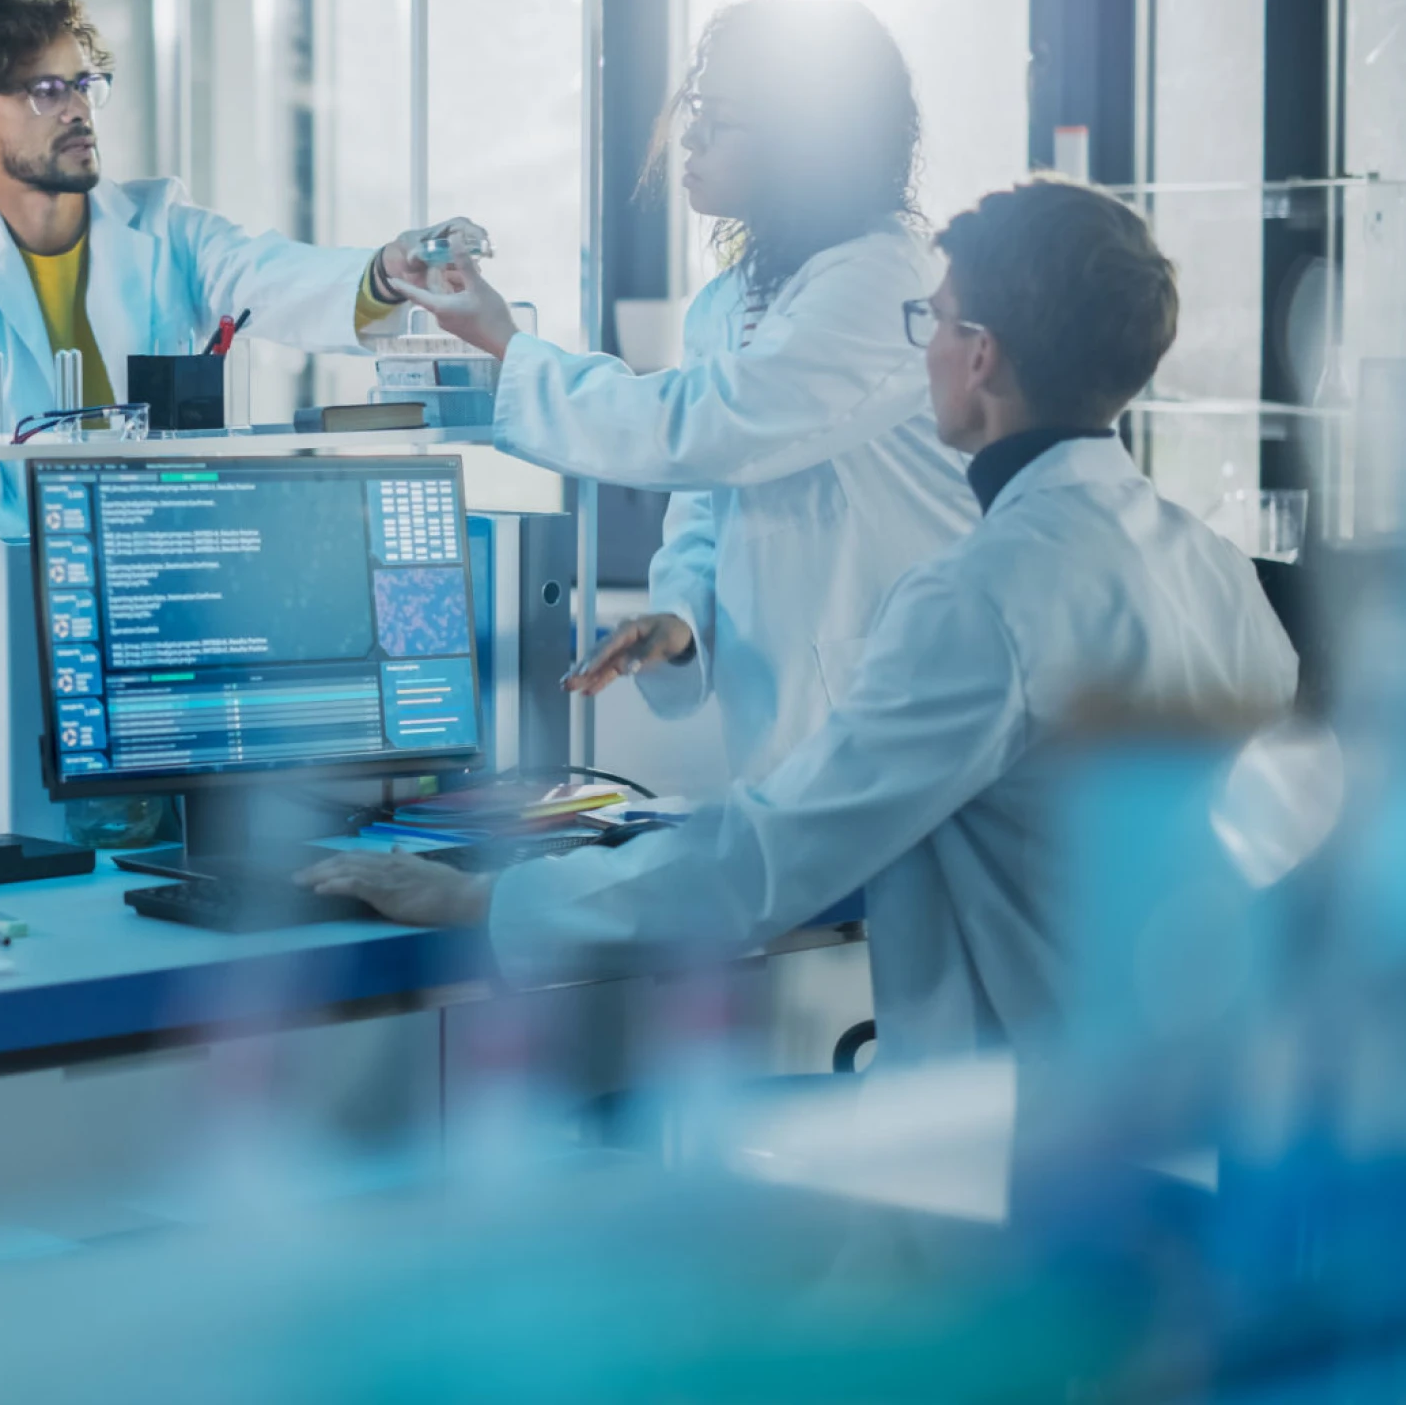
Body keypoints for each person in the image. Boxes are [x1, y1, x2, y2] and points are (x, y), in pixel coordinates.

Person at [305, 179, 1300, 1063]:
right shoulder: (1211, 568)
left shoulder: (981, 597)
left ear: (979, 356)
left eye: (932, 323)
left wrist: (486, 897)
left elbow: (762, 864)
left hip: (1014, 1137)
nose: (918, 349)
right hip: (1195, 1108)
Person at [394, 0, 978, 781]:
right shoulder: (732, 300)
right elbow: (710, 501)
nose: (691, 137)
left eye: (722, 119)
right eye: (698, 107)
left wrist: (506, 343)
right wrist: (680, 615)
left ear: (809, 142)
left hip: (911, 722)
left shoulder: (881, 282)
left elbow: (710, 431)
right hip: (798, 732)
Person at [0, 0, 480, 599]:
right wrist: (23, 625)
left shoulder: (163, 223)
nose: (78, 110)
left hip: (175, 583)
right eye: (46, 90)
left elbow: (265, 274)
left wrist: (386, 272)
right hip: (33, 601)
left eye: (84, 85)